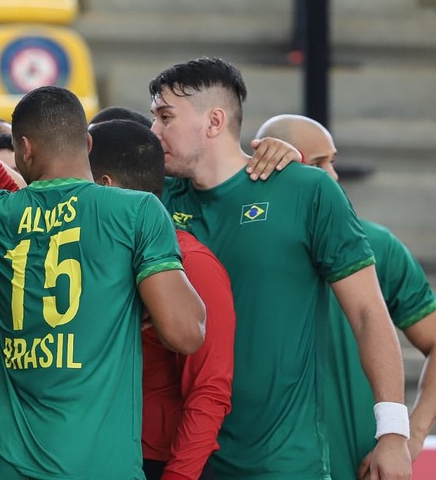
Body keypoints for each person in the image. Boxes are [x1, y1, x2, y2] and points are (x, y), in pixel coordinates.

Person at [149, 57, 411, 479]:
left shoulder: (306, 189)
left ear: (214, 121)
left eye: (165, 117)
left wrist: (395, 434)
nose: (154, 132)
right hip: (188, 459)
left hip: (286, 464)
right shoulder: (157, 201)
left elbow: (367, 314)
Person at [0, 84, 206, 478]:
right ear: (87, 143)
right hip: (104, 468)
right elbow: (186, 334)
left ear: (24, 149)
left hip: (11, 466)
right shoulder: (138, 212)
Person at [257, 114, 436, 478]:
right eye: (319, 163)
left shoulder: (377, 245)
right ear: (270, 164)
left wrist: (409, 435)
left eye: (333, 161)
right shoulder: (242, 242)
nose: (334, 176)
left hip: (358, 466)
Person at [89, 120, 235, 480]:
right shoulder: (88, 253)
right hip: (91, 456)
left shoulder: (192, 263)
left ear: (104, 184)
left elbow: (209, 390)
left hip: (155, 461)